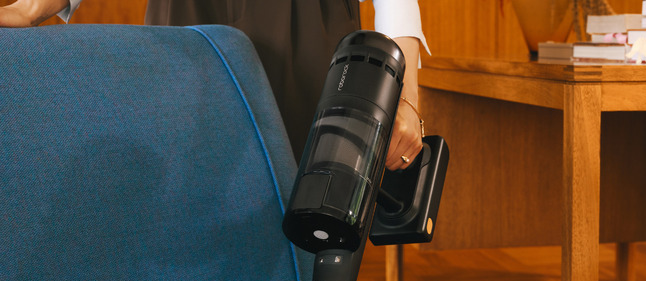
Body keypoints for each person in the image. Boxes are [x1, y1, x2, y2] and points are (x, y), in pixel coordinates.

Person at [0, 0, 429, 171]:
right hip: (187, 24)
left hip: (306, 33)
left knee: (303, 219)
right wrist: (39, 4)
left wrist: (405, 97)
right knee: (186, 201)